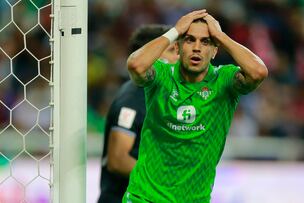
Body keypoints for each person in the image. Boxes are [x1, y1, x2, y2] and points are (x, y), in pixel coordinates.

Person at [123, 9, 268, 202]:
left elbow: (258, 72)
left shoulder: (223, 81)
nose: (197, 48)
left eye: (206, 41)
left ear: (215, 50)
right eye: (190, 40)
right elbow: (135, 65)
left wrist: (221, 35)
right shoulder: (161, 75)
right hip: (145, 196)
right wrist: (175, 30)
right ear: (178, 47)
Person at [97, 24, 179, 203]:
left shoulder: (157, 93)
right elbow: (118, 159)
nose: (178, 57)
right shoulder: (133, 97)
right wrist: (165, 180)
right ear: (151, 54)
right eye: (172, 50)